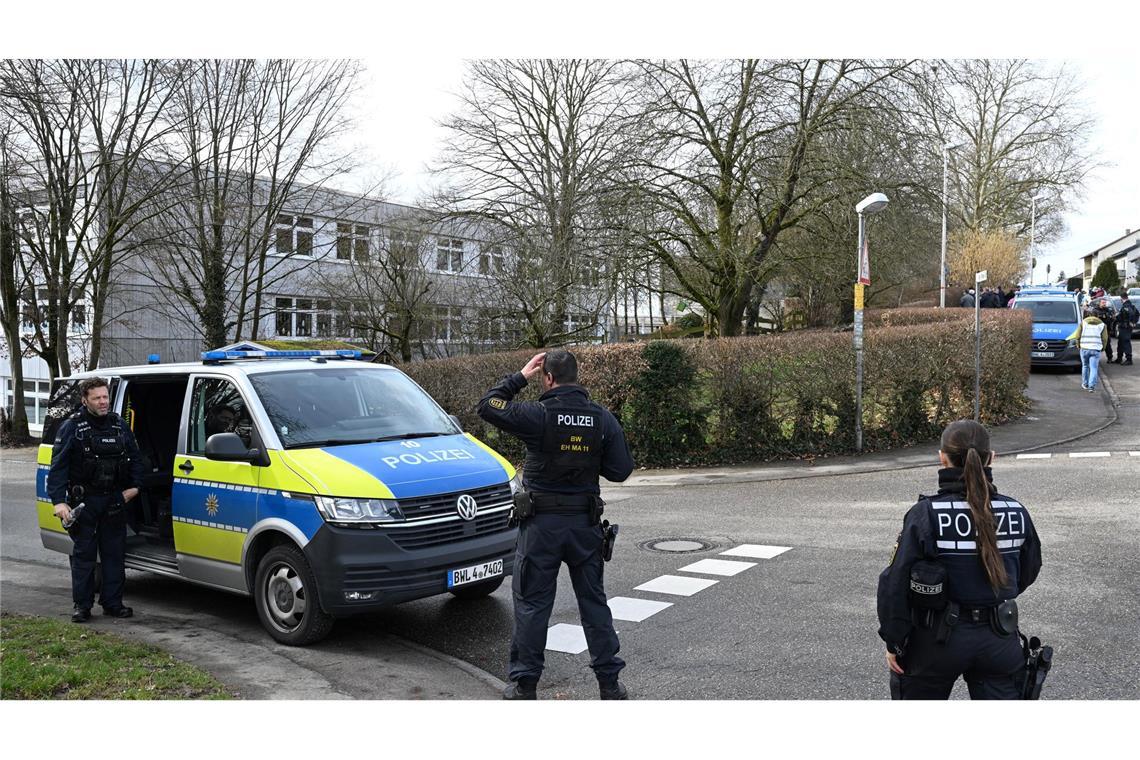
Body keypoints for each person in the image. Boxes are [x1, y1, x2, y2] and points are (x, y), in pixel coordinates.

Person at [477, 349, 635, 700]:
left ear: (547, 377)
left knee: (533, 606)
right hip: (585, 526)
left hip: (541, 528)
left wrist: (520, 376)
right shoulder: (602, 418)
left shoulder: (537, 414)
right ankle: (609, 684)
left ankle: (525, 685)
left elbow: (488, 405)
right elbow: (620, 470)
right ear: (577, 378)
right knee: (594, 604)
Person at [876, 419, 1042, 699]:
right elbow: (1029, 570)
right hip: (1000, 638)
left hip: (936, 641)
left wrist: (895, 641)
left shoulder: (926, 514)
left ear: (942, 458)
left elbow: (895, 583)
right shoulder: (1016, 511)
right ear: (991, 458)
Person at [49, 377, 143, 622]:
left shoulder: (119, 425)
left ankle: (113, 603)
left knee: (114, 555)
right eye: (97, 398)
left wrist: (134, 487)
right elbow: (58, 468)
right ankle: (82, 606)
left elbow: (135, 458)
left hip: (114, 500)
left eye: (105, 397)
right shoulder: (72, 427)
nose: (103, 402)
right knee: (84, 557)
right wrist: (59, 502)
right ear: (85, 400)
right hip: (85, 502)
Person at [1068, 306, 1109, 392]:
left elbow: (1077, 336)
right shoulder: (1102, 325)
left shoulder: (1083, 323)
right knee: (1094, 368)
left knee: (1085, 366)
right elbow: (1105, 338)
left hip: (1084, 348)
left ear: (1090, 315)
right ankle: (1091, 387)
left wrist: (1078, 345)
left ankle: (1085, 384)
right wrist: (1103, 348)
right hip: (1096, 349)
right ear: (1097, 316)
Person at [1113, 293, 1137, 365]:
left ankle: (1129, 359)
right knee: (1120, 343)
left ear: (1121, 299)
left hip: (1125, 327)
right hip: (1123, 327)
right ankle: (1119, 358)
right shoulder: (1132, 306)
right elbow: (1137, 314)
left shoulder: (1127, 306)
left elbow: (1131, 314)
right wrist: (1133, 322)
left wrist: (1131, 322)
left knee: (1126, 343)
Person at [1091, 298, 1116, 363]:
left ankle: (1110, 358)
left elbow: (1111, 319)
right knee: (1097, 345)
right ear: (1099, 303)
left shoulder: (1107, 310)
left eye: (1105, 303)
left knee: (1107, 345)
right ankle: (1095, 359)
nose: (1104, 304)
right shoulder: (1095, 311)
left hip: (1106, 330)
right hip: (1098, 331)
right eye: (1103, 303)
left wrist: (1112, 318)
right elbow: (1093, 320)